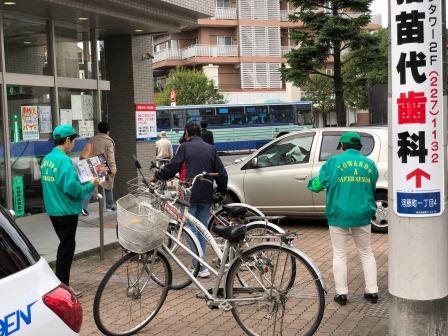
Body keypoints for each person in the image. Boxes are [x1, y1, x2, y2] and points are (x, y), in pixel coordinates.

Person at [308, 131, 379, 306]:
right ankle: (372, 292)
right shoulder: (370, 164)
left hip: (338, 214)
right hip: (363, 214)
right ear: (359, 147)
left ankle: (341, 294)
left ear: (343, 146)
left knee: (340, 254)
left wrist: (311, 184)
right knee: (366, 252)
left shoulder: (333, 162)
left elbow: (319, 184)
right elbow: (372, 186)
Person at [154, 122, 227, 278]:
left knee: (189, 229)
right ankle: (201, 265)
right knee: (201, 229)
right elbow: (222, 173)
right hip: (206, 194)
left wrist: (158, 175)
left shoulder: (185, 147)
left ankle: (199, 266)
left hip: (189, 194)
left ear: (187, 133)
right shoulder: (210, 148)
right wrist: (221, 191)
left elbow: (173, 167)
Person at [41, 125, 98, 293]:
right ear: (67, 140)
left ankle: (61, 284)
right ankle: (63, 287)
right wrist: (91, 185)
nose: (74, 145)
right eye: (73, 141)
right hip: (66, 211)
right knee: (66, 249)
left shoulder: (47, 159)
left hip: (53, 210)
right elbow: (73, 189)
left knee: (64, 246)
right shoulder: (64, 161)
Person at [81, 121, 117, 214]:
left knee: (91, 186)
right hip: (102, 166)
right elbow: (111, 157)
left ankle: (82, 207)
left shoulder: (93, 139)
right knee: (108, 185)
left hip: (92, 164)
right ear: (108, 131)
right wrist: (113, 168)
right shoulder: (109, 141)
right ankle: (109, 206)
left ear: (98, 129)